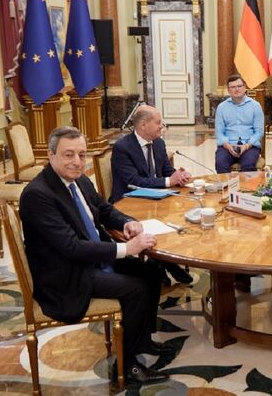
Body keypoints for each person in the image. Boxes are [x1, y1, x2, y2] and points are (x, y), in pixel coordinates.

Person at [20, 126, 172, 385]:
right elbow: (70, 247)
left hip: (90, 260)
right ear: (51, 155)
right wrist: (126, 249)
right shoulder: (38, 195)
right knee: (134, 289)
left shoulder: (79, 180)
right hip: (66, 275)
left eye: (81, 155)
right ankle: (128, 366)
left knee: (152, 271)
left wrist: (127, 222)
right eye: (68, 155)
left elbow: (104, 209)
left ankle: (142, 341)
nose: (77, 162)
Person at [110, 104, 194, 285]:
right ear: (143, 125)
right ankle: (166, 265)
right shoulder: (122, 147)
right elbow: (133, 181)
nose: (161, 126)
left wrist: (178, 176)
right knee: (154, 226)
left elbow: (166, 170)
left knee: (180, 219)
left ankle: (160, 263)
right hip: (131, 200)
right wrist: (168, 181)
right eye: (158, 123)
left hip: (157, 197)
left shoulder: (158, 142)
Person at [214, 74, 264, 173]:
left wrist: (246, 146)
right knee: (220, 162)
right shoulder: (222, 107)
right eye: (232, 87)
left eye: (239, 86)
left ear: (245, 87)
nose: (236, 89)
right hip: (227, 145)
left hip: (249, 146)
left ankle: (245, 184)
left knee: (248, 164)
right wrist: (228, 146)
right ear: (228, 90)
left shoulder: (255, 106)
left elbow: (259, 132)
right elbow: (219, 132)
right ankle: (226, 184)